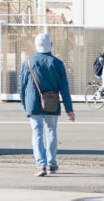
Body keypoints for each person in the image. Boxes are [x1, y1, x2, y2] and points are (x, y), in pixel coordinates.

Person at [19, 32, 75, 177]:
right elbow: (64, 87)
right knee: (51, 132)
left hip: (33, 103)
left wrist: (24, 104)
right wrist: (69, 108)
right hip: (52, 102)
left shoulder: (28, 62)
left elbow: (22, 85)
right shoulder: (57, 63)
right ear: (50, 45)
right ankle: (51, 163)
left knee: (36, 133)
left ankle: (41, 165)